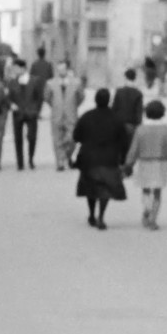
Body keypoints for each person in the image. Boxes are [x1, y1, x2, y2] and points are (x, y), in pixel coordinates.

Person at [70, 87, 130, 230]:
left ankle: (91, 214)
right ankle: (101, 216)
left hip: (88, 159)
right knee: (105, 189)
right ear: (109, 100)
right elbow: (124, 141)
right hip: (109, 159)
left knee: (90, 188)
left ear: (95, 100)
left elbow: (76, 136)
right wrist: (123, 160)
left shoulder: (86, 116)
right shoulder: (116, 119)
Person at [124, 99, 167, 230]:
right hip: (161, 163)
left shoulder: (141, 129)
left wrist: (128, 163)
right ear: (162, 113)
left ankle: (147, 209)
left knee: (146, 189)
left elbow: (134, 148)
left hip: (145, 162)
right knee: (158, 191)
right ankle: (153, 218)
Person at [43, 60, 84, 171]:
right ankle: (60, 162)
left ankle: (67, 155)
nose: (61, 71)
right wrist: (55, 106)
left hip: (71, 115)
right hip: (57, 115)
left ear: (67, 69)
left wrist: (73, 105)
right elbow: (47, 97)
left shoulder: (76, 82)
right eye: (59, 69)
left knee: (72, 138)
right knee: (57, 139)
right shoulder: (50, 83)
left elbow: (81, 97)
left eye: (63, 69)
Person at [7, 57, 47, 169]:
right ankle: (20, 162)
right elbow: (8, 97)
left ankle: (30, 159)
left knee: (32, 137)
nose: (14, 71)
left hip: (31, 113)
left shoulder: (35, 80)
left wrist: (37, 111)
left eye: (16, 68)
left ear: (23, 68)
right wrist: (11, 105)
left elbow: (40, 97)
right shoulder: (12, 82)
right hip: (17, 113)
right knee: (18, 138)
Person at [113, 68, 145, 135]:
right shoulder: (138, 93)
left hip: (119, 125)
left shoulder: (119, 92)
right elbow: (139, 112)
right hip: (132, 126)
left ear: (125, 77)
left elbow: (114, 109)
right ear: (135, 78)